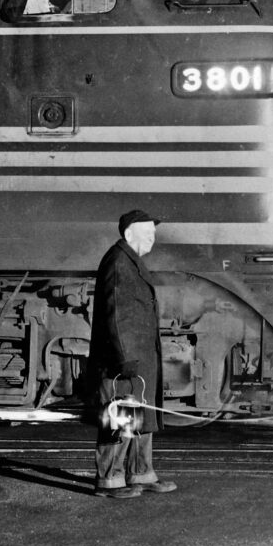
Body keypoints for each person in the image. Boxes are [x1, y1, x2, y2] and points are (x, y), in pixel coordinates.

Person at [88, 209, 176, 499]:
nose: (153, 236)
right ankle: (109, 479)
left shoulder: (129, 261)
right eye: (147, 231)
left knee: (142, 414)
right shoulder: (118, 262)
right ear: (129, 235)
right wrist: (124, 357)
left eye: (153, 231)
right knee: (121, 416)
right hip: (123, 358)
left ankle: (141, 473)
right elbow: (115, 316)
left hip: (138, 357)